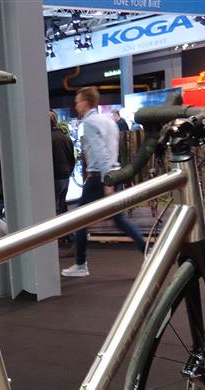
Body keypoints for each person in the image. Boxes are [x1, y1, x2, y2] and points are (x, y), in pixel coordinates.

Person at [62, 87, 146, 279]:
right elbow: (111, 149)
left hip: (101, 177)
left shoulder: (90, 122)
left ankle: (81, 264)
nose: (76, 105)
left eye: (78, 101)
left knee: (80, 220)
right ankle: (147, 251)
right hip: (112, 173)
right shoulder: (108, 121)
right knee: (119, 219)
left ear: (86, 102)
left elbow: (100, 151)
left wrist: (106, 180)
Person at [50, 110, 75, 216]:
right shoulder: (66, 138)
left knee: (54, 207)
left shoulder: (48, 139)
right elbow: (72, 158)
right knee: (62, 203)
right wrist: (69, 171)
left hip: (55, 177)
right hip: (65, 176)